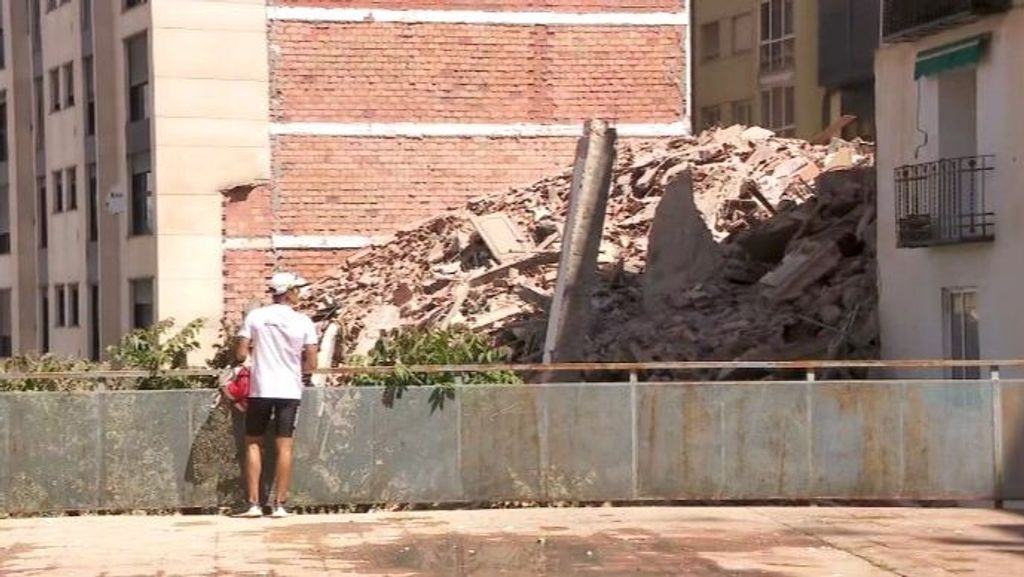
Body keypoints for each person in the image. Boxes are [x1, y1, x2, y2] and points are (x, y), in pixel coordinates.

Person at [232, 272, 318, 518]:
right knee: (285, 447)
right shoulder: (303, 322)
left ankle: (253, 504)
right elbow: (311, 360)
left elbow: (240, 354)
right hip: (289, 390)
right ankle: (280, 505)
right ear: (290, 292)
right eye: (297, 290)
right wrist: (301, 370)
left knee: (253, 443)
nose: (299, 294)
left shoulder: (256, 316)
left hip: (260, 389)